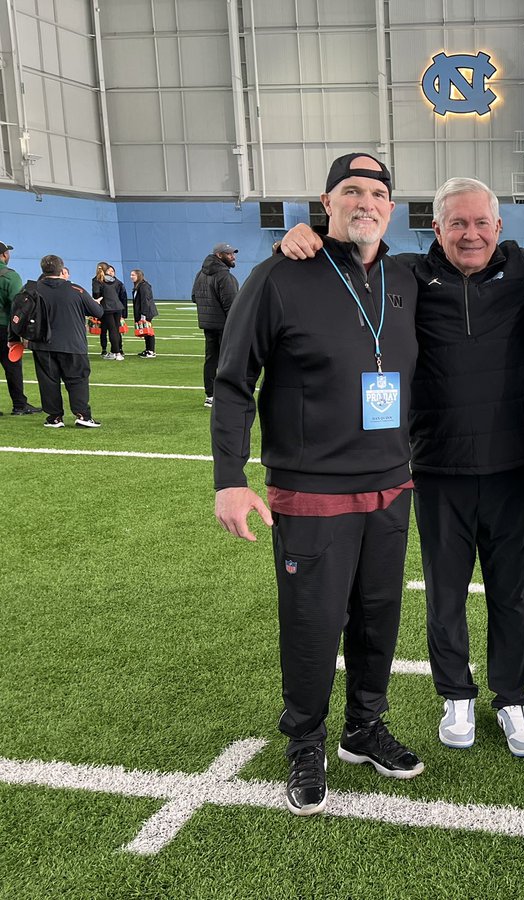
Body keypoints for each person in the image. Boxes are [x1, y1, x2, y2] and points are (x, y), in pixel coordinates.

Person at [278, 183, 524, 757]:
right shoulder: (404, 276)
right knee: (444, 592)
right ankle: (456, 694)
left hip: (512, 465)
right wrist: (304, 236)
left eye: (481, 223)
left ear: (500, 229)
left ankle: (511, 697)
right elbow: (344, 263)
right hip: (437, 465)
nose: (470, 234)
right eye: (457, 224)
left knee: (512, 591)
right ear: (436, 229)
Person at [212, 153, 424, 817]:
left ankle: (364, 727)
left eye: (379, 193)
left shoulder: (406, 276)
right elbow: (231, 381)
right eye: (352, 191)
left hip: (391, 486)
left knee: (378, 617)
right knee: (312, 624)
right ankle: (305, 739)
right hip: (312, 490)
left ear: (392, 207)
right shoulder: (280, 275)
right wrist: (229, 479)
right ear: (325, 204)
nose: (367, 201)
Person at [21, 255, 105, 428]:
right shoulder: (76, 290)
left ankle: (54, 417)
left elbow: (19, 315)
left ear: (42, 269)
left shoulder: (31, 289)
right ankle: (82, 415)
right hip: (73, 343)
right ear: (62, 269)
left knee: (48, 381)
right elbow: (98, 312)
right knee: (78, 380)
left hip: (42, 344)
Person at [193, 242, 239, 408]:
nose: (233, 257)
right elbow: (232, 304)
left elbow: (194, 296)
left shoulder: (201, 273)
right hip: (225, 325)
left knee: (211, 360)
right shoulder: (224, 275)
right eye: (229, 254)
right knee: (229, 361)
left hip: (208, 324)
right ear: (220, 255)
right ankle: (228, 394)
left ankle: (210, 395)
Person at [0, 241, 42, 416]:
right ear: (3, 255)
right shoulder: (10, 276)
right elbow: (19, 307)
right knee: (13, 367)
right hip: (4, 328)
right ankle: (19, 404)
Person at [91, 262, 128, 361]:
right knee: (116, 329)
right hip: (117, 307)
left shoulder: (97, 280)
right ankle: (116, 351)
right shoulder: (114, 280)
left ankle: (116, 352)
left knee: (111, 330)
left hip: (107, 307)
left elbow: (96, 294)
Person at [130, 269, 158, 358]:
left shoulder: (143, 286)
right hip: (143, 311)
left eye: (133, 275)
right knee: (146, 331)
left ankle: (151, 351)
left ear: (138, 276)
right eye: (131, 275)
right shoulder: (138, 286)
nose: (131, 277)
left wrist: (143, 315)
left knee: (149, 331)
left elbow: (145, 301)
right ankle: (148, 349)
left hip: (147, 312)